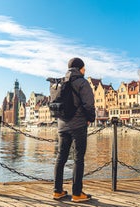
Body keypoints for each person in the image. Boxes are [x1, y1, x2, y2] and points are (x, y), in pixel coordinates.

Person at [53, 57, 96, 202]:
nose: (85, 71)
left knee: (61, 157)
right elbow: (88, 104)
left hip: (62, 125)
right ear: (80, 68)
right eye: (84, 68)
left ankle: (57, 191)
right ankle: (77, 193)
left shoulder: (60, 83)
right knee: (78, 159)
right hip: (77, 125)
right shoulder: (82, 82)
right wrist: (91, 118)